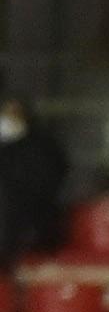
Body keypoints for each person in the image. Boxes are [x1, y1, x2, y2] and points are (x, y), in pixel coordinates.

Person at [0, 98, 66, 268]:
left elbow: (50, 180)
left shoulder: (42, 146)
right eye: (6, 114)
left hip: (33, 218)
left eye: (14, 115)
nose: (8, 120)